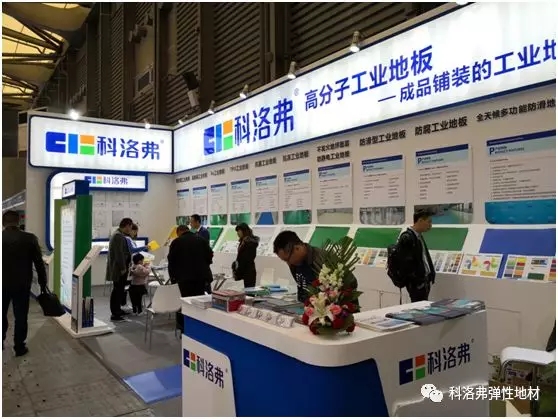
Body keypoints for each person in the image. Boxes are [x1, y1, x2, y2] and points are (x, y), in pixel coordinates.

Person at [273, 230, 358, 307]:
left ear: (297, 248)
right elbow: (302, 288)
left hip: (339, 311)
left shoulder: (323, 259)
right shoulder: (295, 264)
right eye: (284, 261)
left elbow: (351, 282)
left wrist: (334, 300)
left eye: (287, 259)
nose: (288, 263)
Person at [2, 210, 47, 356]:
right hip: (22, 284)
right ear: (18, 222)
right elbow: (39, 263)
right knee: (21, 316)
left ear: (3, 223)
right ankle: (19, 346)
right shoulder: (29, 239)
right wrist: (43, 282)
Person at [168, 226, 214, 333]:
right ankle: (199, 326)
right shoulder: (201, 240)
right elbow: (210, 256)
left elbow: (171, 261)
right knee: (199, 302)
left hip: (183, 279)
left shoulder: (176, 242)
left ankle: (184, 328)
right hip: (200, 278)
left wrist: (173, 278)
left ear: (179, 232)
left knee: (184, 303)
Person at [395, 209, 436, 302]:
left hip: (424, 282)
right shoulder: (407, 238)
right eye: (429, 222)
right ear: (420, 221)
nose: (430, 225)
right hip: (417, 284)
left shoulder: (418, 236)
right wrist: (417, 281)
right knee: (418, 307)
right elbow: (406, 264)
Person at [106, 218, 133, 322]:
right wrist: (123, 267)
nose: (130, 230)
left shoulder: (119, 235)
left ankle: (118, 310)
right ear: (127, 225)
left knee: (119, 290)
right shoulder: (118, 236)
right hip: (118, 269)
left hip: (119, 268)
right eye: (130, 227)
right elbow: (119, 254)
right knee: (117, 291)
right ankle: (115, 314)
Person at [121, 223, 149, 310]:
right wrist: (145, 247)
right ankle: (123, 303)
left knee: (127, 285)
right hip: (129, 264)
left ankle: (126, 303)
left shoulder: (130, 239)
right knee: (126, 285)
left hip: (131, 263)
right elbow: (132, 250)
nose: (135, 234)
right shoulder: (127, 238)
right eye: (135, 231)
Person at [232, 223, 259, 288]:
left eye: (239, 231)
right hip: (244, 271)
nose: (237, 233)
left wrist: (238, 269)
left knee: (249, 292)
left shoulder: (250, 243)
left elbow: (246, 259)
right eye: (237, 231)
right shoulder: (243, 242)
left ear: (244, 231)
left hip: (248, 272)